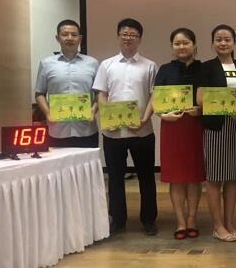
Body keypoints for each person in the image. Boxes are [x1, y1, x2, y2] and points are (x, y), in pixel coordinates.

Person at [93, 18, 158, 235]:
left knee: (146, 177)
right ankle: (118, 219)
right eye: (125, 34)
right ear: (118, 36)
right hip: (113, 133)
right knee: (115, 178)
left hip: (142, 131)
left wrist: (145, 118)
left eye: (133, 35)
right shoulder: (106, 65)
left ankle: (149, 219)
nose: (128, 38)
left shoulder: (150, 66)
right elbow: (102, 94)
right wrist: (107, 118)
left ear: (140, 39)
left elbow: (154, 96)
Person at [197, 24, 236, 242]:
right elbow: (200, 99)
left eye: (227, 39)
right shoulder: (206, 67)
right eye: (218, 39)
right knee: (214, 178)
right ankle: (218, 226)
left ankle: (229, 223)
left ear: (234, 42)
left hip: (235, 127)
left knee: (232, 178)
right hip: (215, 127)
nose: (223, 43)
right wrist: (228, 107)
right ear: (212, 43)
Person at [153, 28, 204, 240]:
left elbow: (209, 99)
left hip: (196, 127)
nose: (181, 47)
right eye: (177, 43)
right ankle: (180, 221)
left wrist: (201, 110)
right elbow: (156, 101)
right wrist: (163, 114)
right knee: (176, 178)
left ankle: (192, 218)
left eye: (185, 42)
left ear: (194, 45)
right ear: (172, 47)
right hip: (172, 128)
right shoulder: (165, 70)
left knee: (194, 177)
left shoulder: (204, 69)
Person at [35, 19, 99, 148]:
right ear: (57, 38)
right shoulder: (46, 63)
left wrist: (93, 111)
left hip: (86, 130)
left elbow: (100, 93)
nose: (69, 38)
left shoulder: (92, 63)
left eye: (74, 35)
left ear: (80, 38)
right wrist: (48, 113)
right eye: (65, 34)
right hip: (56, 131)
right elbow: (39, 93)